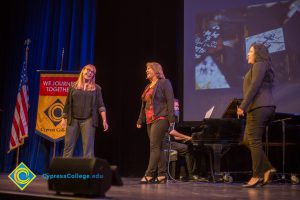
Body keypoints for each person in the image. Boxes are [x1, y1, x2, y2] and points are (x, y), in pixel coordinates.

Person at [237, 43, 276, 188]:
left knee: (253, 140)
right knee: (248, 140)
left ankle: (257, 175)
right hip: (262, 107)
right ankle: (267, 168)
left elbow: (254, 85)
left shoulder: (260, 64)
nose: (248, 54)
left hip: (260, 107)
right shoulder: (260, 66)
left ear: (258, 54)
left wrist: (242, 106)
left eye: (251, 51)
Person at [137, 62, 175, 184]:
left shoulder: (164, 83)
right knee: (159, 147)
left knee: (154, 147)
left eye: (149, 69)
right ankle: (162, 175)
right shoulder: (147, 87)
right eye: (146, 69)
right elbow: (144, 105)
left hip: (161, 118)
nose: (146, 71)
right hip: (149, 120)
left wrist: (172, 119)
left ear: (156, 70)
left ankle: (149, 174)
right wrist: (140, 119)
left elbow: (170, 101)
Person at [61, 64, 109, 158]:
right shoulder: (73, 87)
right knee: (68, 146)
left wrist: (104, 120)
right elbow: (67, 104)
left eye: (92, 72)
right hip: (73, 120)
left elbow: (101, 106)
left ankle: (89, 171)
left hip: (88, 120)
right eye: (88, 70)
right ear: (83, 70)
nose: (90, 73)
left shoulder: (96, 88)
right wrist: (63, 118)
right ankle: (64, 171)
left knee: (88, 148)